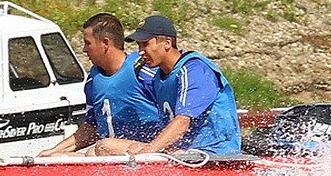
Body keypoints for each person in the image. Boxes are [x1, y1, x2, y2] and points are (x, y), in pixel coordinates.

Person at [96, 14, 242, 155]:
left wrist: (148, 153)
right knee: (105, 147)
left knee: (133, 150)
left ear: (167, 43)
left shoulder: (194, 70)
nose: (140, 52)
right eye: (138, 46)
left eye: (145, 44)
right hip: (183, 152)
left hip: (215, 153)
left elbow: (182, 122)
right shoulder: (157, 78)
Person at [39, 13, 160, 156]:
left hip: (149, 155)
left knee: (103, 147)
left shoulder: (143, 71)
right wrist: (53, 151)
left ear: (106, 43)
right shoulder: (92, 80)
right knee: (56, 158)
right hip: (110, 158)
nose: (84, 50)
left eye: (88, 43)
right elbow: (92, 127)